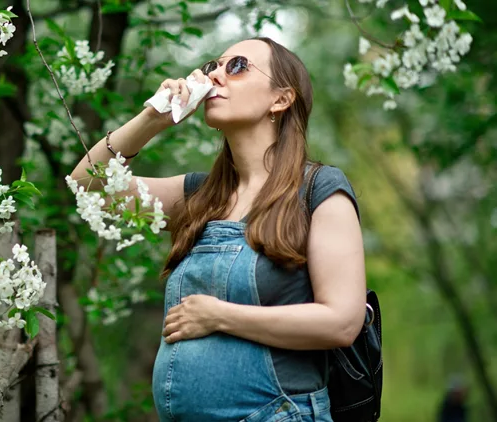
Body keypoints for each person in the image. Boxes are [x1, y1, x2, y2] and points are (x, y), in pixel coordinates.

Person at [69, 37, 367, 421]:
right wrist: (153, 119)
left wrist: (219, 316)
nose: (216, 76)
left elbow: (341, 322)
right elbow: (87, 186)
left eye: (237, 66)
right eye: (214, 66)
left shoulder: (318, 191)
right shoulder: (200, 196)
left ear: (281, 99)